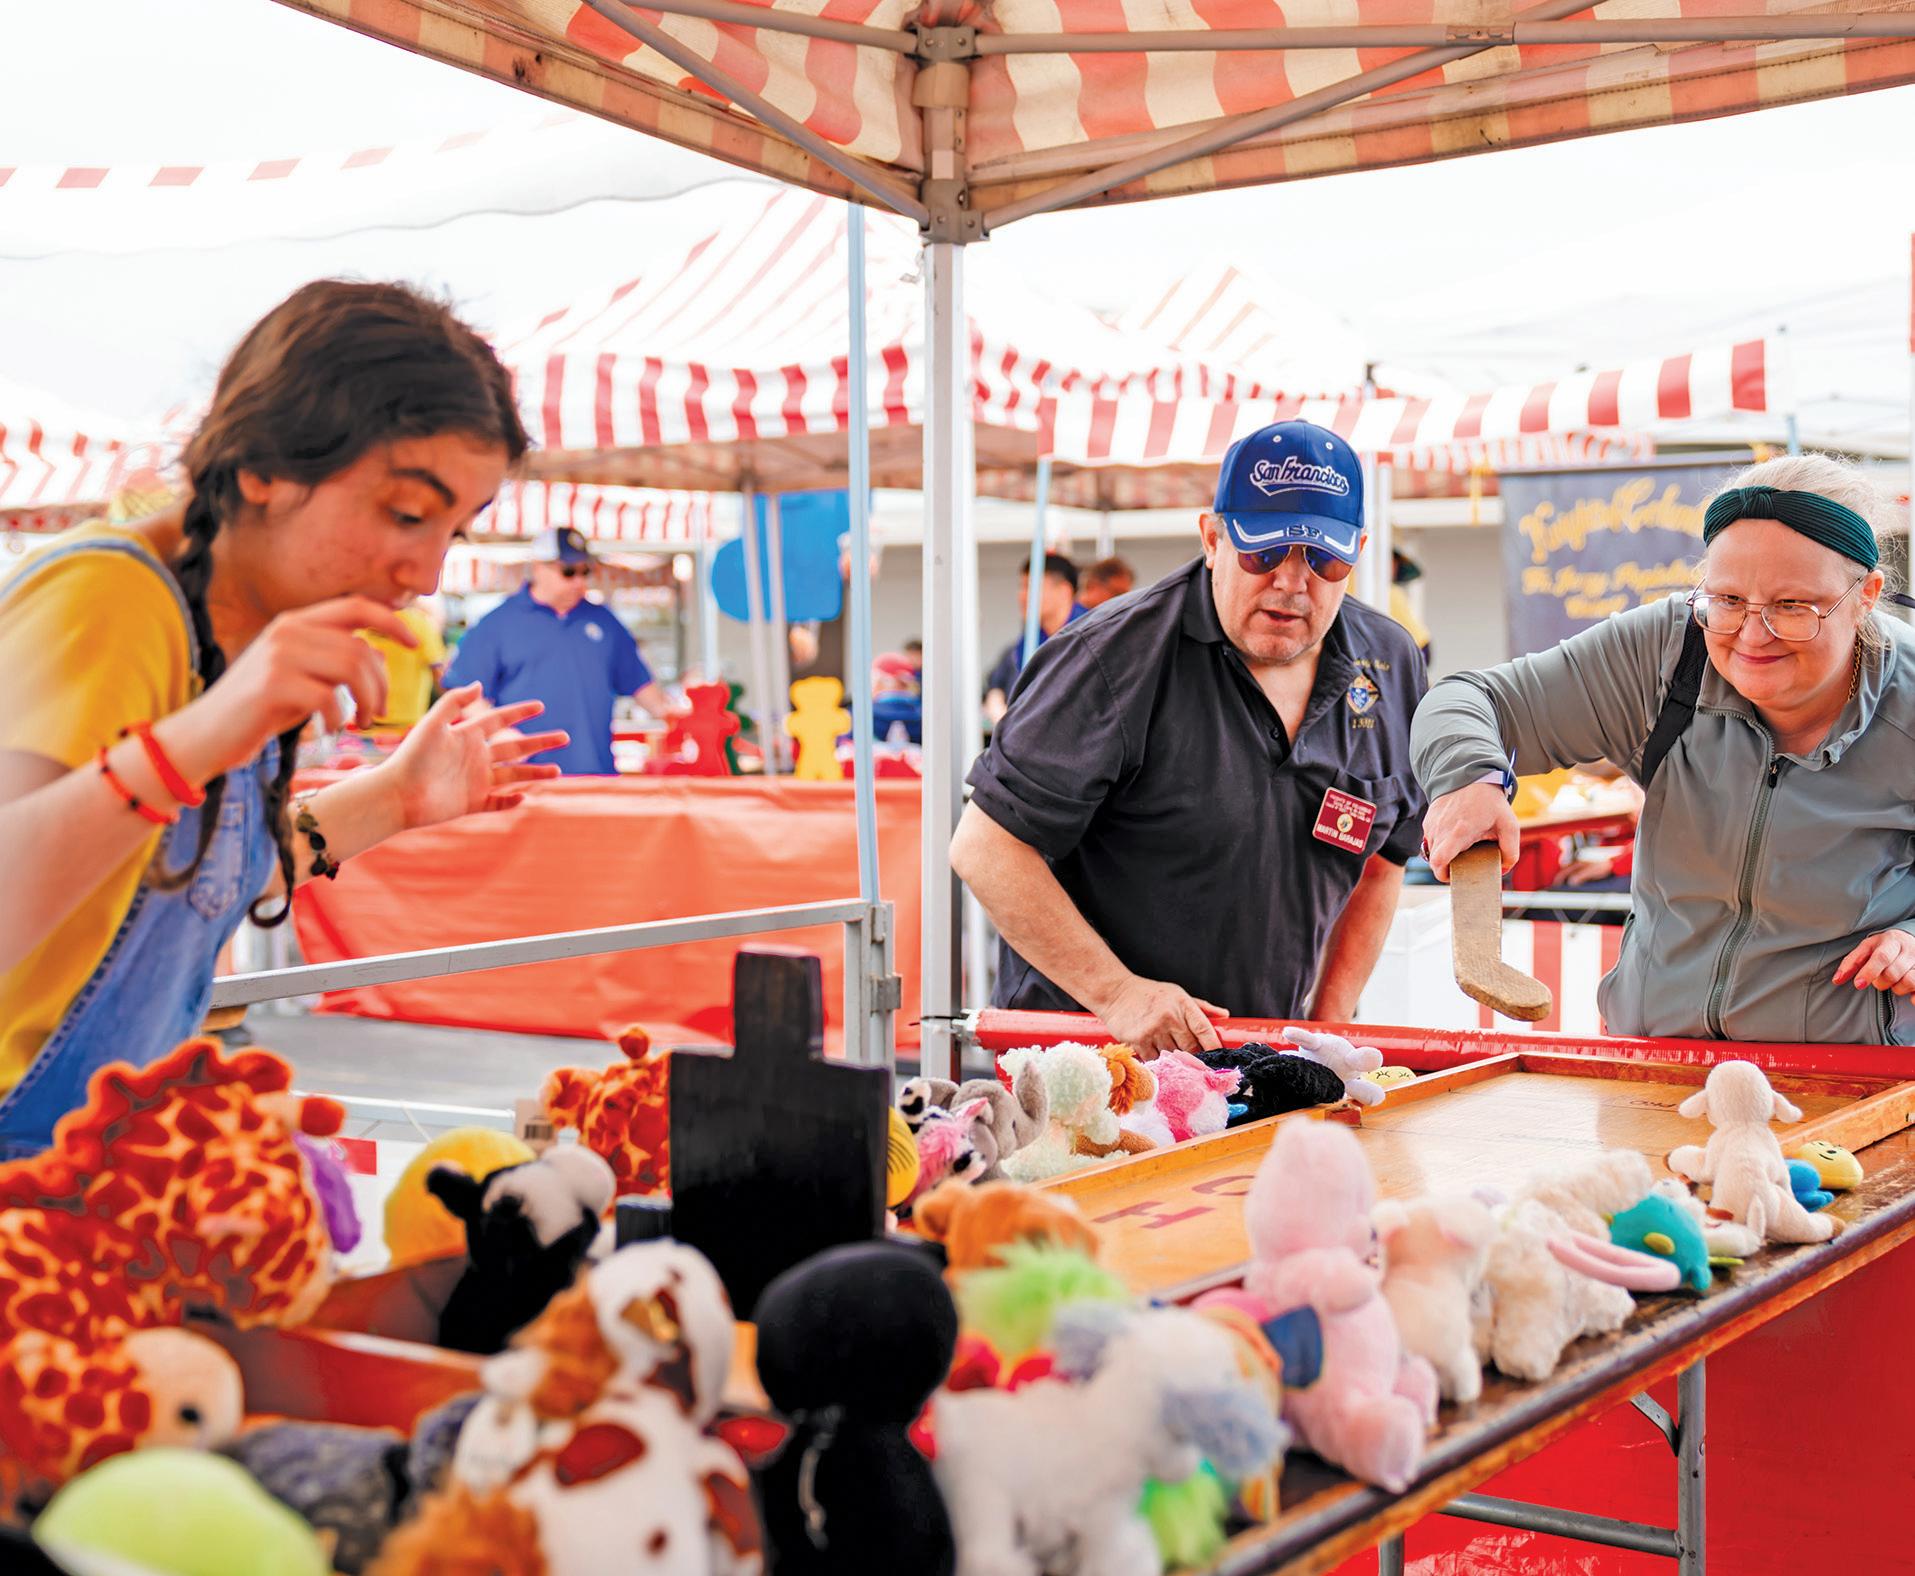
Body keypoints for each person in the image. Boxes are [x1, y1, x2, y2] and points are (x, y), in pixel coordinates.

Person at [0, 280, 565, 1159]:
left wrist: (391, 800)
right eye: (407, 514)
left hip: (94, 1165)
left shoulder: (241, 628)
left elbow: (180, 877)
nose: (425, 573)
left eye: (453, 532)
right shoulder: (110, 597)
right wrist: (198, 739)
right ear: (262, 468)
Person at [952, 421, 1429, 1054]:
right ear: (1212, 538)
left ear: (1359, 551)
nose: (1292, 582)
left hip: (1259, 1062)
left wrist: (1325, 1028)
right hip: (1091, 1062)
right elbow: (985, 847)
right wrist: (1119, 994)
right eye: (1263, 553)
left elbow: (1385, 861)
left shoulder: (1391, 664)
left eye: (1324, 559)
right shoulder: (1112, 657)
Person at [1414, 452, 1915, 1044]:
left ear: (1865, 594)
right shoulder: (1670, 651)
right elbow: (1470, 699)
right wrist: (1468, 778)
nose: (1752, 636)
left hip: (1848, 1070)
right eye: (1728, 600)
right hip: (1654, 1057)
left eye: (1792, 606)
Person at [444, 527, 673, 775]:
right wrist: (498, 731)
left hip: (595, 776)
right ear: (539, 568)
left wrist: (678, 715)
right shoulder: (497, 623)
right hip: (526, 778)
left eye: (585, 571)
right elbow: (465, 694)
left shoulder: (606, 622)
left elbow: (641, 687)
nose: (579, 582)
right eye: (568, 571)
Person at [982, 553, 1086, 725]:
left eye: (1030, 587)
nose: (1022, 596)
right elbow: (999, 681)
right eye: (1021, 587)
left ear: (1064, 591)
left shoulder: (1091, 637)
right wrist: (996, 698)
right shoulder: (1029, 640)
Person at [360, 601, 448, 732]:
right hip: (408, 727)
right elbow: (439, 675)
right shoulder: (420, 623)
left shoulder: (362, 619)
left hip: (365, 722)